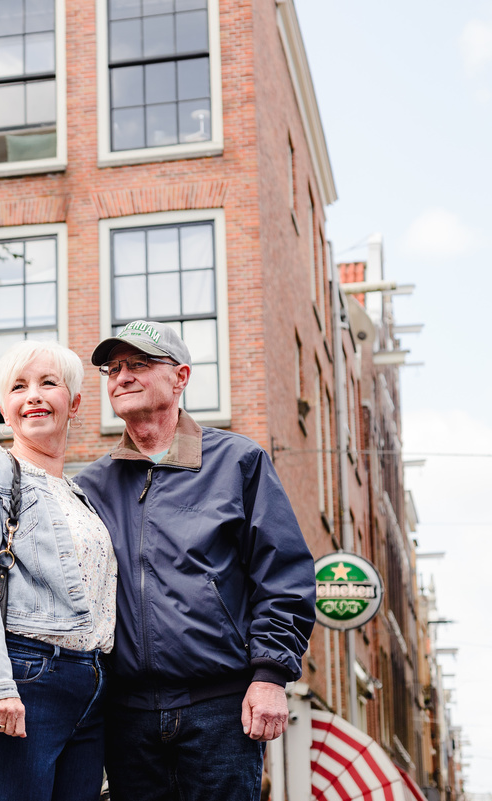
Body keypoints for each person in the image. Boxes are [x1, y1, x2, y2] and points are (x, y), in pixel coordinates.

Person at [74, 320, 316, 801]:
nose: (121, 376)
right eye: (113, 367)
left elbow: (284, 577)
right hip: (125, 716)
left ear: (180, 377)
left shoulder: (238, 462)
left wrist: (270, 676)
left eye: (139, 364)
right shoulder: (92, 485)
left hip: (221, 708)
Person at [0, 339, 117, 801]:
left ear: (74, 403)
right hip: (26, 678)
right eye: (18, 387)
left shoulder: (82, 496)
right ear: (5, 409)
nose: (34, 395)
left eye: (48, 383)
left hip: (93, 685)